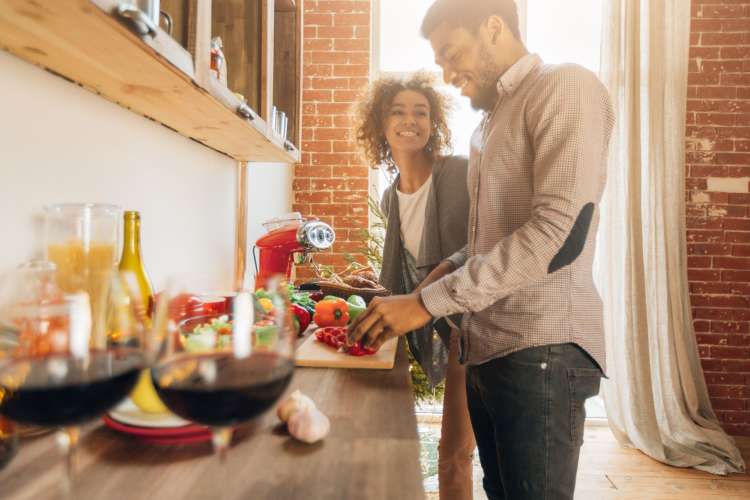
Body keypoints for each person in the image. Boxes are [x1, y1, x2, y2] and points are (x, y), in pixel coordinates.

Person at [348, 1, 615, 498]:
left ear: (493, 27)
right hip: (488, 347)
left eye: (452, 53)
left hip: (542, 349)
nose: (448, 74)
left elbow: (559, 234)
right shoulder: (489, 124)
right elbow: (484, 246)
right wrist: (431, 283)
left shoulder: (564, 86)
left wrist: (426, 303)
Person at [354, 72, 475, 500]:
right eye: (398, 111)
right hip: (448, 323)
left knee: (455, 452)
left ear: (434, 122)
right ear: (381, 124)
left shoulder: (456, 172)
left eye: (421, 112)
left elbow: (470, 253)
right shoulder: (392, 195)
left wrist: (417, 297)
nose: (411, 121)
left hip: (477, 327)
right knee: (453, 451)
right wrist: (371, 285)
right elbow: (402, 272)